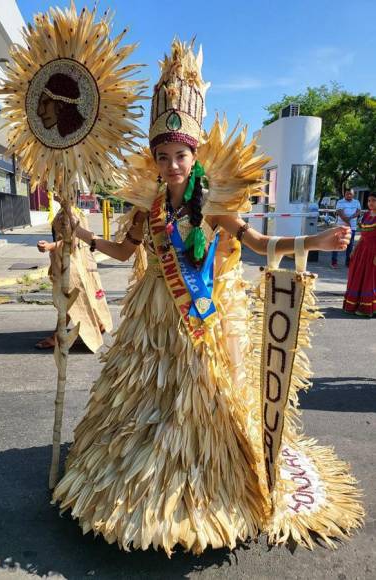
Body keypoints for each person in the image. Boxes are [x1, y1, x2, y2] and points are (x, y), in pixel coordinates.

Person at [53, 40, 363, 556]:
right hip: (153, 325)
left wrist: (314, 242)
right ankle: (137, 481)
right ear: (153, 160)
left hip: (205, 322)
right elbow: (124, 252)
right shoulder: (145, 209)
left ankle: (209, 485)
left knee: (204, 404)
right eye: (163, 157)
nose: (172, 165)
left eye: (180, 155)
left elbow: (259, 245)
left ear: (194, 154)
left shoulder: (216, 206)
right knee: (147, 402)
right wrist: (79, 234)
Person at [36, 208, 113, 350]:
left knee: (69, 300)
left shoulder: (71, 213)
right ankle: (98, 324)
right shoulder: (70, 211)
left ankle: (59, 335)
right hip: (77, 261)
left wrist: (50, 246)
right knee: (83, 296)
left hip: (72, 263)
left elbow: (72, 241)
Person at [343, 192, 376, 316]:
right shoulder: (366, 215)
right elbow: (362, 236)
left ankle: (368, 308)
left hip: (373, 251)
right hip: (362, 250)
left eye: (373, 200)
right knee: (358, 275)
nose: (370, 203)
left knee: (369, 278)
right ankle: (356, 304)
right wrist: (354, 250)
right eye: (369, 201)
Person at [331, 190, 361, 268]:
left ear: (353, 194)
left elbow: (358, 212)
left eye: (350, 194)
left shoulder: (357, 202)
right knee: (337, 243)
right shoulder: (340, 202)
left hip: (353, 227)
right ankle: (334, 262)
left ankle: (348, 262)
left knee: (350, 245)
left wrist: (351, 217)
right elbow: (340, 213)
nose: (348, 195)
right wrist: (348, 222)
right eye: (347, 194)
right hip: (340, 226)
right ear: (344, 194)